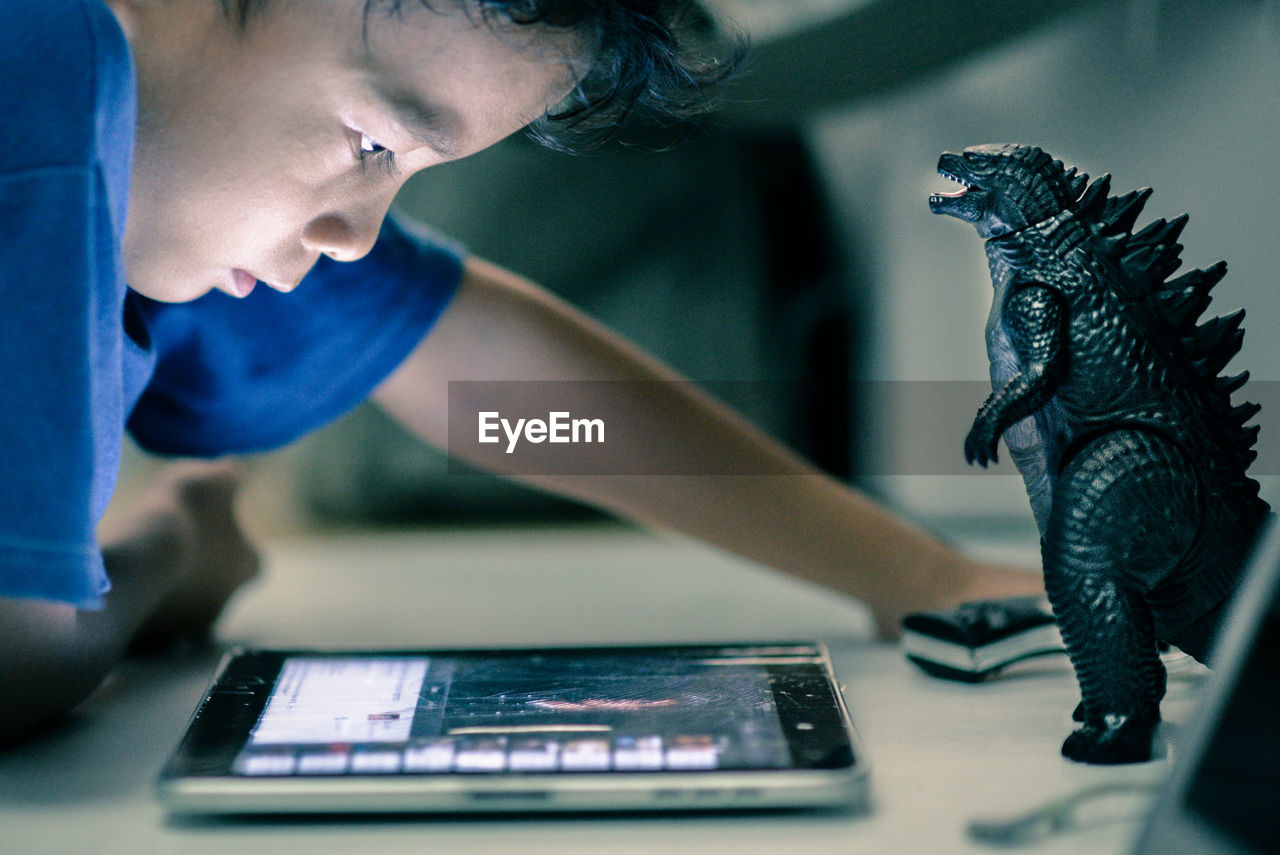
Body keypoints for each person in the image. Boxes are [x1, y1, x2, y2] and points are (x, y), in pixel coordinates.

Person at [0, 0, 1041, 746]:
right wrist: (169, 552)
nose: (356, 238)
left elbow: (501, 397)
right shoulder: (46, 66)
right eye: (370, 139)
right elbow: (16, 660)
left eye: (401, 168)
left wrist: (915, 577)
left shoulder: (177, 166)